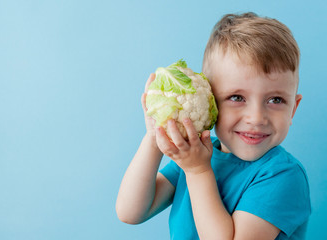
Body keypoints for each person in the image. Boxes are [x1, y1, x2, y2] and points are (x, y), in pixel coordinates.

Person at [116, 12, 311, 240]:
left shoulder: (282, 175)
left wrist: (198, 171)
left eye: (275, 100)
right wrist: (154, 137)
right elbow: (131, 212)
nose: (256, 117)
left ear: (293, 108)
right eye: (237, 97)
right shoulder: (196, 155)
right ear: (209, 100)